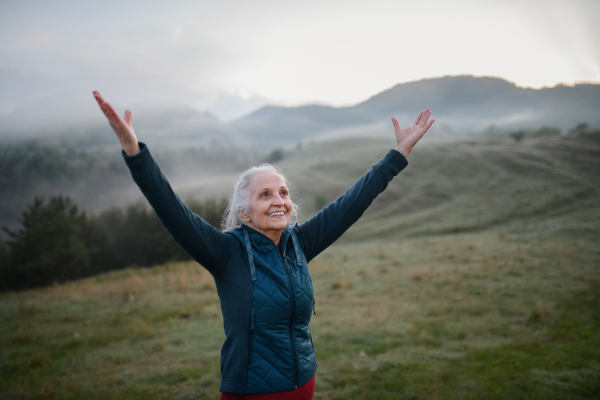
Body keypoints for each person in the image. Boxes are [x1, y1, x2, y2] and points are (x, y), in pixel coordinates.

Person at [93, 91, 434, 400]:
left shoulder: (300, 243)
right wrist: (135, 153)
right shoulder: (225, 253)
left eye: (283, 193)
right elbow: (172, 209)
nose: (279, 201)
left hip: (304, 384)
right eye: (266, 194)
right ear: (243, 211)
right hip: (252, 393)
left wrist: (399, 153)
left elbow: (352, 203)